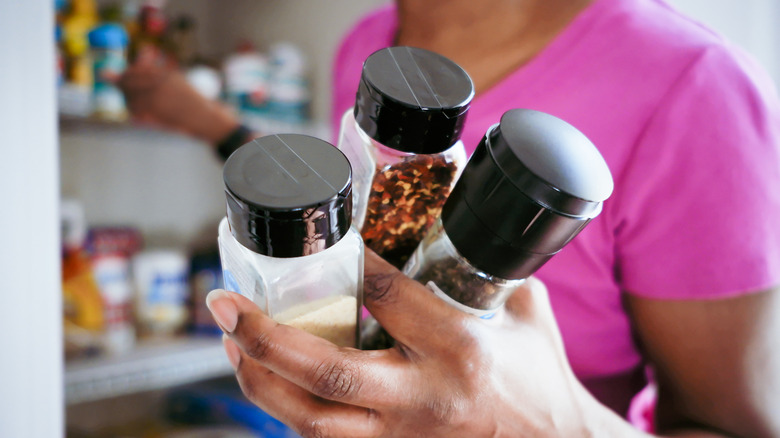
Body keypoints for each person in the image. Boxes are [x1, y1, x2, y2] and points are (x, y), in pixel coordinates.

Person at [120, 0, 780, 436]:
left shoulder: (696, 85)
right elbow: (339, 212)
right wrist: (214, 129)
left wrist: (554, 425)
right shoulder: (370, 45)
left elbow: (735, 424)